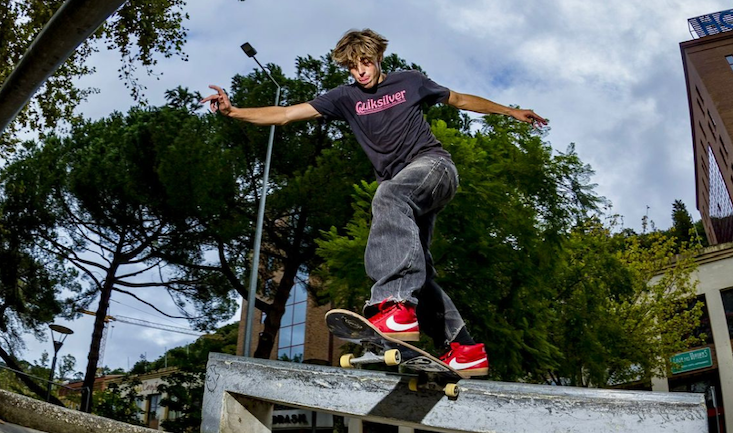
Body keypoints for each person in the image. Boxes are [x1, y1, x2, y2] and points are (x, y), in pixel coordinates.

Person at [200, 28, 547, 375]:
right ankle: (463, 347)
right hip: (408, 194)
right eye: (353, 67)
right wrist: (235, 112)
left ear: (378, 57)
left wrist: (510, 111)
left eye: (365, 63)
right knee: (417, 269)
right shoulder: (344, 98)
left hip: (434, 168)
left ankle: (395, 304)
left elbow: (460, 99)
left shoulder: (410, 81)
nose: (360, 72)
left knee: (388, 194)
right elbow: (287, 113)